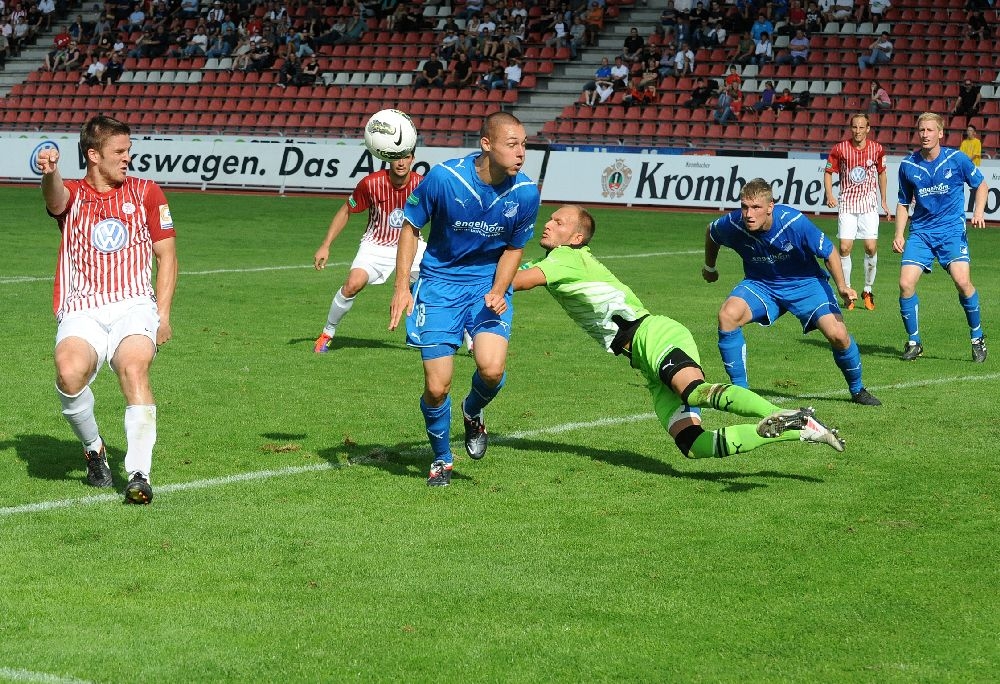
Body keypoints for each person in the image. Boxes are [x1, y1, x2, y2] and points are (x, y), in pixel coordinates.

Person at [513, 205, 846, 458]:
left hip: (651, 335)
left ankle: (776, 412)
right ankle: (800, 429)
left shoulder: (565, 258)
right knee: (693, 444)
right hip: (641, 358)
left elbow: (515, 281)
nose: (548, 223)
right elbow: (514, 273)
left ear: (575, 238)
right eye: (550, 219)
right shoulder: (556, 261)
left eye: (559, 221)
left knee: (693, 391)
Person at [388, 112, 540, 487]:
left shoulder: (526, 193)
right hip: (439, 285)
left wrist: (498, 288)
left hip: (487, 287)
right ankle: (442, 458)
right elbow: (410, 227)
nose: (521, 152)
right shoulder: (445, 178)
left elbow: (514, 249)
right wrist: (401, 286)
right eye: (512, 144)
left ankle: (472, 412)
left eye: (524, 144)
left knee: (491, 369)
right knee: (437, 385)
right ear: (486, 145)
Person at [36, 115, 177, 504]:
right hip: (82, 307)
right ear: (93, 155)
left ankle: (138, 474)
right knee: (68, 374)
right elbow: (54, 197)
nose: (127, 157)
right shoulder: (73, 195)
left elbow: (167, 255)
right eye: (119, 151)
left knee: (133, 368)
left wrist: (162, 313)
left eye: (129, 150)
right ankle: (94, 448)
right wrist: (50, 171)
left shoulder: (147, 192)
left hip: (134, 304)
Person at [704, 178, 881, 405]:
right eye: (745, 206)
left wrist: (842, 286)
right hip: (762, 284)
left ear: (770, 207)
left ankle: (858, 390)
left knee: (838, 334)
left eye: (756, 207)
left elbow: (829, 252)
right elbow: (712, 232)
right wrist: (709, 267)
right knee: (727, 315)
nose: (749, 214)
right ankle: (741, 393)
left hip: (806, 284)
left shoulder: (794, 222)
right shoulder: (734, 223)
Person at [893, 112, 989, 363]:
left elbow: (981, 185)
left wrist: (978, 211)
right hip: (921, 233)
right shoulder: (908, 165)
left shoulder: (957, 159)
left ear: (940, 133)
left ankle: (977, 338)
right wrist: (898, 234)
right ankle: (914, 342)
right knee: (905, 284)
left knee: (962, 281)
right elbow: (903, 202)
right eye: (921, 130)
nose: (925, 135)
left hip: (951, 231)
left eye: (930, 130)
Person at [313, 152, 423, 353]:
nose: (400, 162)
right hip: (376, 245)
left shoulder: (423, 184)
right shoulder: (370, 183)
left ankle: (469, 339)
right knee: (352, 284)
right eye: (396, 157)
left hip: (411, 244)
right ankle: (327, 333)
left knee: (440, 285)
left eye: (405, 157)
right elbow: (347, 209)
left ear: (412, 159)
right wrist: (326, 244)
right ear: (388, 158)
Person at [823, 113, 890, 312]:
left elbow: (882, 173)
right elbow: (828, 172)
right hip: (847, 204)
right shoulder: (840, 148)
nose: (858, 131)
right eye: (855, 127)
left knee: (870, 247)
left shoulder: (877, 149)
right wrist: (830, 194)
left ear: (868, 129)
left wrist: (883, 200)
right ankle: (847, 291)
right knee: (844, 247)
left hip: (868, 204)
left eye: (862, 127)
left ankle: (868, 290)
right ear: (851, 128)